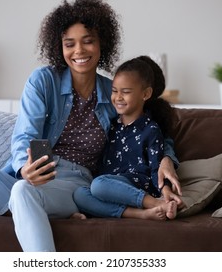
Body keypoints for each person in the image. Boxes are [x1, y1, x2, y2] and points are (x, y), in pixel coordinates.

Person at [0, 0, 181, 252]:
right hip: (36, 174)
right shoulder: (44, 80)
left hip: (75, 183)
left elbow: (146, 125)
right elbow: (27, 135)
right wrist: (26, 167)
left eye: (88, 41)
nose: (79, 51)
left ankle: (36, 217)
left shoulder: (112, 91)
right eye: (69, 44)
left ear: (102, 43)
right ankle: (37, 210)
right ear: (60, 47)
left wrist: (166, 157)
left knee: (22, 193)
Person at [73, 56, 184, 221]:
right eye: (115, 91)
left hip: (135, 186)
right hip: (110, 187)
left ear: (145, 94)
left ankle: (154, 203)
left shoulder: (151, 129)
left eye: (125, 92)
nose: (118, 97)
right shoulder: (110, 125)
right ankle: (141, 214)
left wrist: (166, 191)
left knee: (98, 185)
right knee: (80, 194)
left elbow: (157, 168)